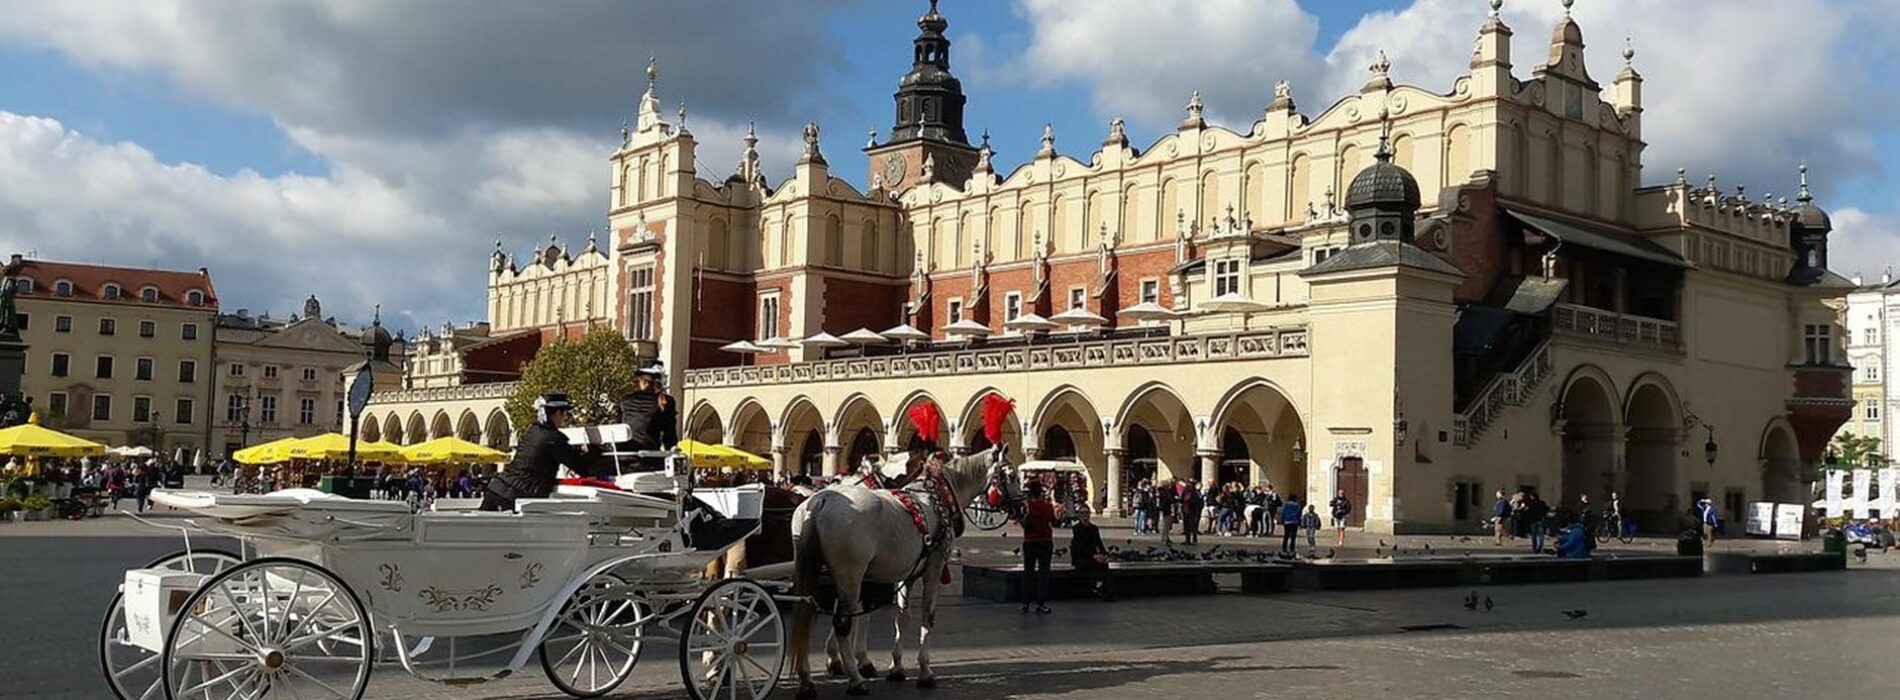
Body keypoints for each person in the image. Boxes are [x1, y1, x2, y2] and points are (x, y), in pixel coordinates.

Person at [481, 394, 598, 512]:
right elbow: (581, 466)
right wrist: (595, 451)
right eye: (566, 413)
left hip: (497, 487)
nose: (567, 418)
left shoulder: (532, 430)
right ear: (557, 413)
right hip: (517, 497)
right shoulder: (553, 438)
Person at [616, 362, 679, 470]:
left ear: (643, 382)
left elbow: (618, 427)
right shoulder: (666, 401)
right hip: (648, 459)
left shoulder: (625, 400)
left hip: (622, 458)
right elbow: (669, 436)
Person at [1018, 481, 1057, 614]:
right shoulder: (1047, 506)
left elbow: (1022, 522)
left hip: (1029, 542)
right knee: (1043, 574)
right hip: (1045, 542)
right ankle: (1041, 604)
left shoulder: (1026, 506)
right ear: (1040, 492)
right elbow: (1054, 521)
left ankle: (1025, 603)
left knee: (1028, 573)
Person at [1068, 506, 1114, 601]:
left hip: (1093, 557)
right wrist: (1094, 556)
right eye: (1082, 513)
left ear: (1089, 514)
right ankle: (1099, 588)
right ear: (1079, 515)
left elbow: (1099, 543)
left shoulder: (1094, 528)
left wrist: (1105, 555)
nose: (1084, 515)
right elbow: (1080, 546)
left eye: (1086, 513)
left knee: (1104, 565)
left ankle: (1106, 591)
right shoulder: (1077, 528)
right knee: (1100, 566)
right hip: (1081, 557)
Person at [1181, 479, 1204, 545]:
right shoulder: (1189, 491)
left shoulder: (1194, 492)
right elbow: (1183, 499)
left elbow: (1195, 501)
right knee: (1189, 525)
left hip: (1190, 510)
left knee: (1192, 525)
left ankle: (1192, 538)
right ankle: (1189, 539)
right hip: (1187, 510)